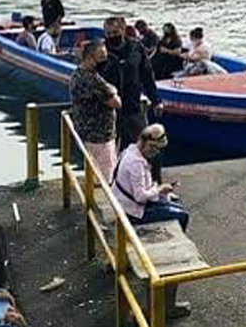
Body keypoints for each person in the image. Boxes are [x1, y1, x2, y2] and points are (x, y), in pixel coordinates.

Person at [112, 124, 191, 319]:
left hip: (124, 206)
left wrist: (161, 191)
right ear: (146, 143)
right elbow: (140, 196)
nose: (155, 154)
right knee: (182, 215)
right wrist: (160, 190)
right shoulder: (136, 163)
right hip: (133, 212)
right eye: (154, 149)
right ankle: (172, 245)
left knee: (176, 206)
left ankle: (170, 237)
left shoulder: (130, 151)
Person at [98, 17, 161, 155]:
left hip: (133, 107)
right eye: (108, 34)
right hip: (108, 111)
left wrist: (156, 100)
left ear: (123, 30)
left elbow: (147, 76)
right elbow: (92, 79)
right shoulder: (100, 51)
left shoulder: (136, 48)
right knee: (108, 152)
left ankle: (146, 175)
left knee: (144, 147)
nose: (112, 36)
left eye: (115, 32)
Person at [70, 40, 122, 180]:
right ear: (89, 58)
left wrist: (111, 89)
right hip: (98, 136)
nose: (104, 61)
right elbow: (116, 103)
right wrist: (113, 90)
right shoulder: (92, 80)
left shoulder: (78, 74)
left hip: (87, 131)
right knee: (106, 177)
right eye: (101, 58)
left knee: (94, 173)